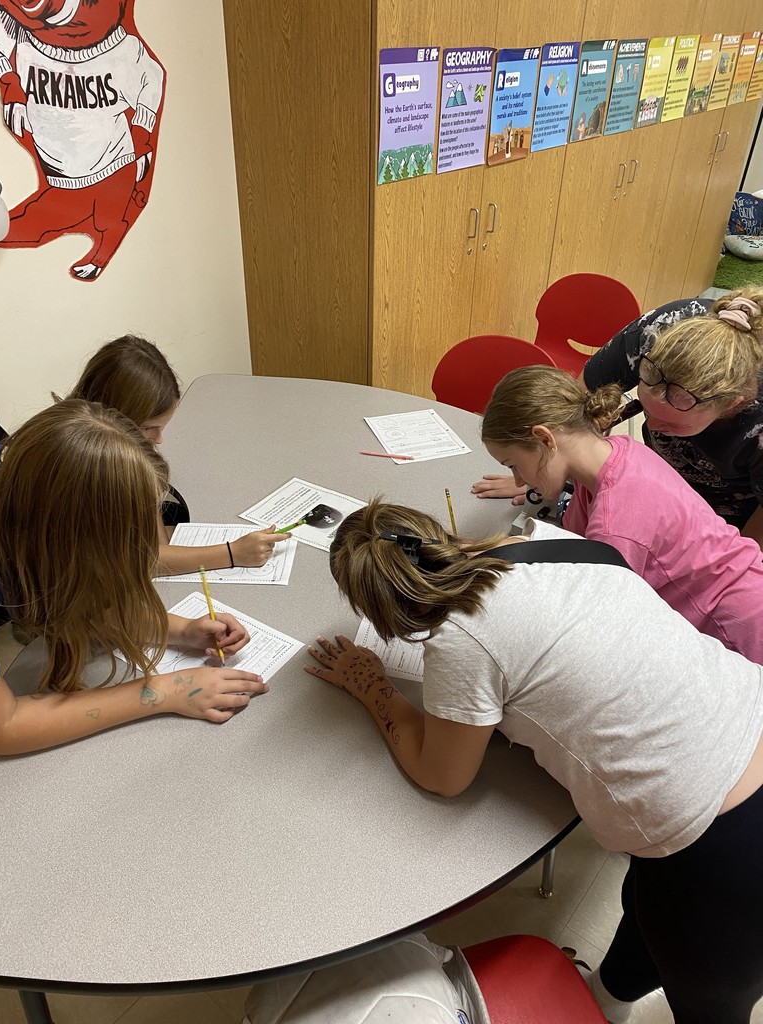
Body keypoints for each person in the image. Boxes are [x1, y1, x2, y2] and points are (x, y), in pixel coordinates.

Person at [306, 498, 763, 1024]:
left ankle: (620, 997)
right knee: (650, 905)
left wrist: (372, 686)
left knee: (709, 1003)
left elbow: (443, 776)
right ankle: (608, 998)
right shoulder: (557, 547)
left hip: (719, 835)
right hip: (740, 729)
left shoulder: (462, 636)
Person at [0, 401, 267, 756]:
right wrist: (164, 692)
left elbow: (86, 600)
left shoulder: (26, 486)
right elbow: (6, 726)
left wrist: (182, 630)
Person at [479, 365, 763, 662]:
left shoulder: (616, 523)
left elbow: (599, 627)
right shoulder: (617, 452)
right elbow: (575, 547)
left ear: (545, 439)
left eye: (513, 464)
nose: (519, 480)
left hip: (734, 631)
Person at [472, 290, 763, 549]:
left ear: (732, 404)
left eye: (673, 425)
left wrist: (724, 557)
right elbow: (574, 409)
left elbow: (747, 561)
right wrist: (539, 467)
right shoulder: (655, 333)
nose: (655, 429)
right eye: (648, 412)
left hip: (729, 522)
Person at [66, 335, 291, 574]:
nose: (159, 439)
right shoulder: (93, 467)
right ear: (114, 415)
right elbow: (148, 559)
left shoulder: (86, 430)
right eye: (147, 428)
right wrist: (232, 553)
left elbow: (155, 541)